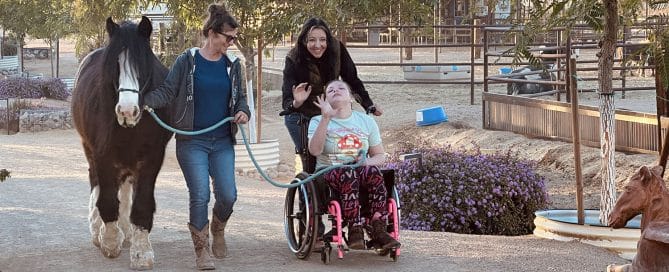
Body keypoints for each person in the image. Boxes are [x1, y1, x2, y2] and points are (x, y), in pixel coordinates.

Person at [143, 3, 249, 270]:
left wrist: (242, 112)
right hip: (192, 141)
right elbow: (167, 91)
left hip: (223, 141)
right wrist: (144, 101)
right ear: (212, 33)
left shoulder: (234, 65)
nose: (232, 42)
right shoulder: (187, 61)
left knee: (228, 195)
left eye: (234, 38)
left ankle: (218, 228)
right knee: (200, 194)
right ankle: (202, 250)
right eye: (229, 37)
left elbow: (242, 101)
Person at [281, 17, 383, 174]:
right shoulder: (294, 58)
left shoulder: (337, 49)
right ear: (303, 41)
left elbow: (351, 79)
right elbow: (287, 101)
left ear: (328, 40)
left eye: (322, 40)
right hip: (302, 114)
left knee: (342, 153)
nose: (317, 45)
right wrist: (297, 102)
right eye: (312, 40)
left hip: (332, 110)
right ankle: (307, 195)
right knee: (311, 159)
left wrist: (368, 104)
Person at [308, 80, 400, 250]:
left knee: (372, 170)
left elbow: (380, 156)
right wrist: (326, 119)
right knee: (348, 172)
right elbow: (314, 150)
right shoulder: (317, 121)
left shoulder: (366, 121)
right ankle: (354, 227)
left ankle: (378, 228)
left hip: (360, 170)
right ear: (326, 100)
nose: (336, 90)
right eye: (331, 90)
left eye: (341, 88)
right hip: (330, 172)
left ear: (351, 97)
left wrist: (366, 162)